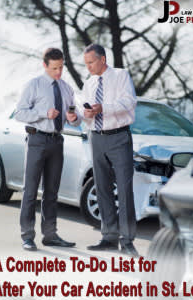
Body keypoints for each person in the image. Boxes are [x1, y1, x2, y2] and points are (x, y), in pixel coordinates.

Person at [15, 48, 81, 251]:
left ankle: (50, 235)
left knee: (52, 192)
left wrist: (74, 118)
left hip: (56, 142)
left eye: (61, 67)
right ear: (45, 65)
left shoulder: (67, 88)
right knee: (30, 190)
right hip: (36, 140)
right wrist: (44, 113)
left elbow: (76, 117)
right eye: (54, 68)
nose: (58, 72)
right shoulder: (33, 85)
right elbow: (19, 113)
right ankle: (27, 236)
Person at [82, 44, 138, 257]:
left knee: (124, 189)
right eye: (86, 63)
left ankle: (127, 241)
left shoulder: (121, 75)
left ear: (103, 59)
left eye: (91, 62)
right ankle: (109, 237)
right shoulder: (88, 83)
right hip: (96, 138)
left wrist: (104, 107)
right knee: (102, 187)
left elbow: (129, 102)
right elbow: (84, 114)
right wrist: (85, 113)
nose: (88, 67)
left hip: (119, 137)